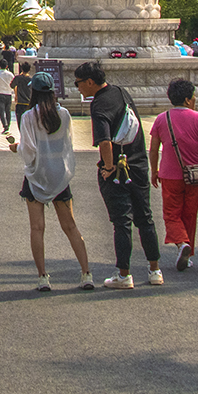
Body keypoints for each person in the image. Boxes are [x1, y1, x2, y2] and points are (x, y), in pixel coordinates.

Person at [71, 63, 160, 287]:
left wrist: (108, 167)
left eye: (78, 83)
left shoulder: (99, 104)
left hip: (118, 169)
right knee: (146, 219)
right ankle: (154, 270)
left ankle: (124, 274)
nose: (78, 88)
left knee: (122, 222)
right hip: (138, 164)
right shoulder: (121, 92)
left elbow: (104, 141)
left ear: (89, 82)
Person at [11, 72, 93, 291]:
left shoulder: (29, 116)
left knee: (37, 228)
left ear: (34, 92)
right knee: (70, 226)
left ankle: (43, 277)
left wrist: (16, 148)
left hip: (37, 174)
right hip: (59, 174)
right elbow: (66, 144)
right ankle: (86, 273)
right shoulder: (64, 114)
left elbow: (28, 149)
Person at [145, 75, 198, 273]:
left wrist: (154, 170)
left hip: (169, 173)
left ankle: (182, 243)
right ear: (187, 99)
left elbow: (153, 148)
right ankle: (188, 252)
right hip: (195, 174)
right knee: (190, 213)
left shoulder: (161, 119)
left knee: (171, 214)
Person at [0, 62, 16, 134]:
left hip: (0, 94)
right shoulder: (10, 74)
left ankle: (5, 126)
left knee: (1, 111)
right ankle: (8, 125)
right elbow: (14, 85)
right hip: (8, 94)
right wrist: (16, 95)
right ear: (7, 66)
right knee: (8, 111)